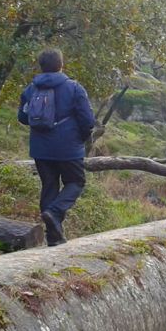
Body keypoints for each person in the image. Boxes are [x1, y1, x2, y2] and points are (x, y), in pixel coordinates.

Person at [18, 48, 95, 246]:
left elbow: (23, 118)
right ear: (61, 65)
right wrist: (82, 139)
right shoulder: (74, 88)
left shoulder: (30, 89)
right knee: (76, 182)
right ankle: (54, 213)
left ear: (41, 66)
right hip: (68, 148)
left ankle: (54, 236)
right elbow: (87, 120)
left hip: (40, 149)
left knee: (49, 185)